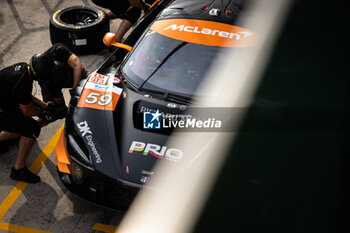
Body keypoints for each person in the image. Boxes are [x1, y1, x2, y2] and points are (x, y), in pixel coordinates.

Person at [0, 62, 48, 183]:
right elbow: (27, 111)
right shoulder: (24, 83)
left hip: (4, 103)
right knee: (31, 128)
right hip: (2, 111)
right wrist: (43, 114)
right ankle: (19, 170)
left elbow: (26, 96)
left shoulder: (24, 68)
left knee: (20, 126)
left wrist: (45, 106)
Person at [30, 43, 85, 107]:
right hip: (51, 84)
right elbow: (58, 100)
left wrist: (75, 92)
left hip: (68, 73)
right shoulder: (45, 81)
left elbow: (78, 67)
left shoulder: (58, 50)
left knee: (88, 78)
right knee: (55, 109)